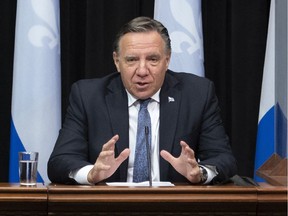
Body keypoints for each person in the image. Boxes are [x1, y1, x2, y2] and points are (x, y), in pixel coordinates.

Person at [48, 16, 237, 185]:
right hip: (109, 206)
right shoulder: (88, 96)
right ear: (117, 61)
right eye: (131, 60)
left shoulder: (197, 94)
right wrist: (91, 174)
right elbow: (60, 162)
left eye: (153, 59)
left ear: (167, 59)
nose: (142, 71)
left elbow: (224, 159)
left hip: (174, 207)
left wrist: (200, 173)